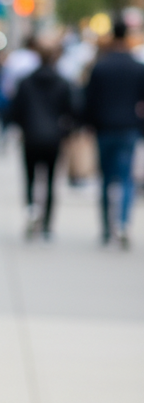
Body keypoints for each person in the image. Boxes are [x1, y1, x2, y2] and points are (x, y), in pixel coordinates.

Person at [84, 17, 144, 247]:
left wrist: (88, 123)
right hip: (128, 128)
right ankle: (123, 223)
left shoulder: (101, 66)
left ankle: (106, 228)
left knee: (106, 178)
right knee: (126, 177)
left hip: (104, 128)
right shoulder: (137, 66)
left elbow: (90, 99)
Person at [10, 39, 75, 239]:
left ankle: (31, 212)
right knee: (50, 181)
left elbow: (15, 110)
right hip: (53, 138)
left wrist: (22, 127)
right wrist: (65, 132)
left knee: (30, 178)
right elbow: (71, 111)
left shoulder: (26, 82)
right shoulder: (63, 82)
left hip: (30, 137)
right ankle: (46, 223)